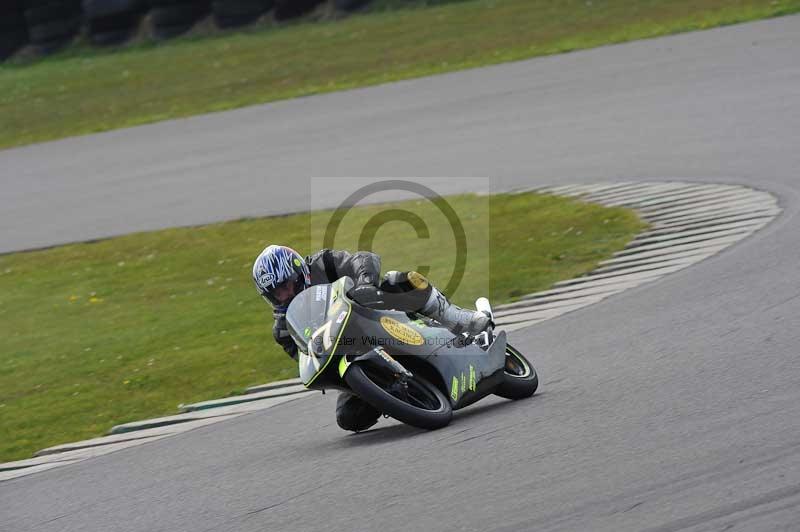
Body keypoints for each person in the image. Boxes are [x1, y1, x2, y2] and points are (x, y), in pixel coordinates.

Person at [252, 244, 492, 432]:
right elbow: (304, 355)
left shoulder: (323, 263)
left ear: (298, 271)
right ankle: (392, 391)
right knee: (349, 418)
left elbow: (363, 259)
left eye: (286, 285)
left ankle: (460, 318)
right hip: (346, 353)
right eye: (275, 293)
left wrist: (365, 283)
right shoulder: (283, 329)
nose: (284, 295)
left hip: (371, 314)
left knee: (399, 279)